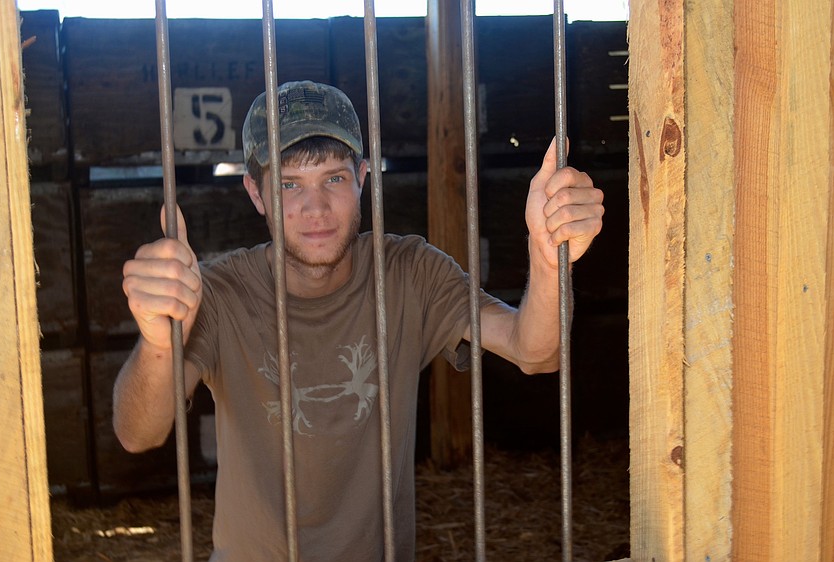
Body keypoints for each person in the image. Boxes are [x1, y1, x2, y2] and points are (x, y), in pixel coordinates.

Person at [113, 80, 604, 561]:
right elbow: (138, 433)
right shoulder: (219, 292)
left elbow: (537, 351)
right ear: (256, 194)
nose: (316, 208)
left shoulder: (410, 271)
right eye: (288, 184)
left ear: (363, 178)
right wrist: (159, 340)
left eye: (334, 178)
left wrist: (547, 260)